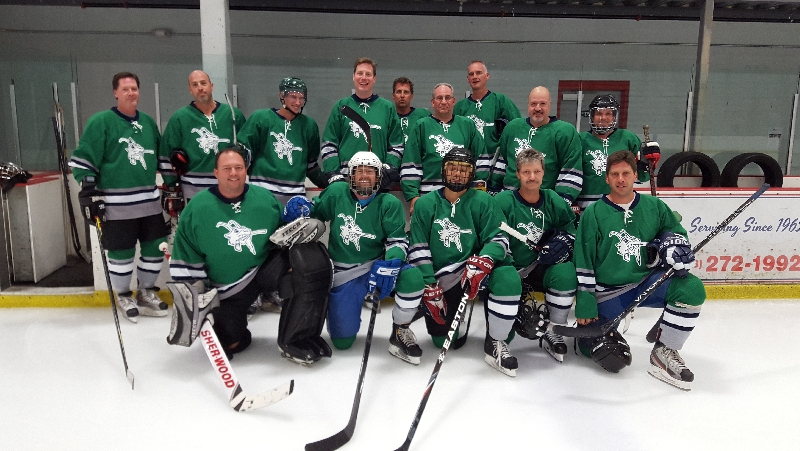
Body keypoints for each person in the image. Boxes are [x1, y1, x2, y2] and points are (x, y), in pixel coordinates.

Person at [168, 147, 333, 364]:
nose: (233, 173)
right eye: (227, 168)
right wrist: (199, 298)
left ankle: (296, 340)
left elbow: (284, 235)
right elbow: (185, 260)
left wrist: (293, 219)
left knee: (309, 261)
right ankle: (232, 328)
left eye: (238, 167)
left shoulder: (264, 199)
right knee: (232, 341)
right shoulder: (197, 209)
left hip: (262, 270)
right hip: (226, 289)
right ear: (216, 172)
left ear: (246, 170)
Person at [574, 150, 704, 390]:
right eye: (615, 174)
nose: (621, 179)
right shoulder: (593, 213)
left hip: (647, 282)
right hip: (609, 292)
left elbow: (676, 234)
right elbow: (584, 259)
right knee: (597, 350)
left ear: (635, 175)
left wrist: (674, 247)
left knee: (691, 288)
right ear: (607, 178)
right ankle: (591, 333)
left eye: (626, 173)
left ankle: (664, 351)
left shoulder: (655, 206)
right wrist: (585, 300)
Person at [283, 151, 426, 364]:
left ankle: (400, 331)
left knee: (412, 278)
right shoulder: (337, 192)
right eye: (359, 171)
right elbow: (314, 215)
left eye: (370, 172)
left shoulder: (388, 203)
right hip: (344, 272)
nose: (364, 176)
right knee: (342, 342)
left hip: (376, 265)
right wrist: (298, 210)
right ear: (350, 175)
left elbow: (397, 240)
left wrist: (391, 262)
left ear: (379, 177)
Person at [408, 147, 521, 376]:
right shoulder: (425, 204)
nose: (458, 174)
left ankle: (496, 341)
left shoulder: (484, 201)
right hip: (444, 276)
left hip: (475, 269)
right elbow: (418, 247)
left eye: (464, 169)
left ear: (472, 173)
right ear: (443, 170)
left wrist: (485, 259)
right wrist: (430, 285)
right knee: (441, 341)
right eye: (452, 168)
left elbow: (499, 238)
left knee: (508, 277)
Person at [69, 71, 169, 323]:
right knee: (121, 253)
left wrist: (173, 178)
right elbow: (84, 157)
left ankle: (146, 292)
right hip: (116, 205)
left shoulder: (148, 122)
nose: (131, 93)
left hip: (149, 203)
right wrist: (89, 187)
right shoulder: (101, 122)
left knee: (156, 248)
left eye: (134, 88)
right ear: (115, 93)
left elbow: (160, 155)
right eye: (125, 89)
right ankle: (123, 295)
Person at [494, 148, 576, 362]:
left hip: (541, 269)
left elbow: (571, 229)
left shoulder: (553, 199)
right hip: (511, 271)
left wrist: (565, 242)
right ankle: (497, 339)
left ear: (543, 173)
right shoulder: (503, 201)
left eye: (537, 171)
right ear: (517, 174)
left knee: (566, 272)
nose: (532, 177)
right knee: (505, 284)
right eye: (526, 172)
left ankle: (555, 330)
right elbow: (492, 236)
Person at [158, 70, 246, 201]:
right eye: (195, 85)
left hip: (229, 189)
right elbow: (166, 154)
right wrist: (172, 186)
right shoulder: (179, 118)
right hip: (193, 192)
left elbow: (246, 150)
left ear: (212, 86)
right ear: (190, 90)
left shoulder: (233, 115)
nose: (200, 88)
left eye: (203, 83)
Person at [237, 77, 327, 205]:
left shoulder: (309, 125)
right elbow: (242, 156)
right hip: (262, 195)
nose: (298, 102)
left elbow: (310, 165)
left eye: (301, 98)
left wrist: (330, 181)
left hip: (294, 200)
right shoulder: (260, 118)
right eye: (293, 97)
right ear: (282, 95)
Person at [401, 83, 488, 213]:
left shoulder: (467, 125)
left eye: (447, 98)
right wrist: (413, 196)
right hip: (429, 196)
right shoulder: (421, 126)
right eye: (439, 98)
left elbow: (481, 160)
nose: (443, 101)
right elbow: (411, 163)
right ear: (432, 102)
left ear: (453, 101)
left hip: (462, 197)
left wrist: (476, 192)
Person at [320, 58, 404, 184]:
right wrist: (334, 172)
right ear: (353, 76)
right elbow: (329, 144)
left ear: (374, 79)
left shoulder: (387, 108)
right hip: (345, 181)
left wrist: (388, 167)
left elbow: (397, 144)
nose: (363, 78)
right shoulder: (341, 107)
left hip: (377, 181)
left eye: (368, 74)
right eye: (360, 73)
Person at [492, 86, 582, 204]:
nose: (538, 108)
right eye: (533, 104)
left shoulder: (565, 132)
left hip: (543, 203)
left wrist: (559, 204)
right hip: (509, 200)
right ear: (528, 105)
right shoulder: (512, 127)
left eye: (542, 103)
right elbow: (502, 161)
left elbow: (571, 170)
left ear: (550, 105)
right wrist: (494, 191)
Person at [576, 94, 660, 213]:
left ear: (614, 116)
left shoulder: (628, 138)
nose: (603, 118)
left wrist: (648, 163)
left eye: (608, 114)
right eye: (598, 114)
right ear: (592, 116)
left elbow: (641, 177)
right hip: (587, 207)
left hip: (622, 205)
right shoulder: (580, 140)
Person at [453, 61, 521, 161]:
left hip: (497, 163)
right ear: (468, 79)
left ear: (487, 76)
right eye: (471, 74)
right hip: (468, 164)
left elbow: (518, 127)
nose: (475, 77)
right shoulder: (459, 107)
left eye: (478, 73)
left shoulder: (500, 101)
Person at [392, 77, 430, 145]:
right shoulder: (389, 118)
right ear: (393, 96)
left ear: (412, 96)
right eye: (399, 92)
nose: (402, 95)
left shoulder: (423, 116)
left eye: (406, 92)